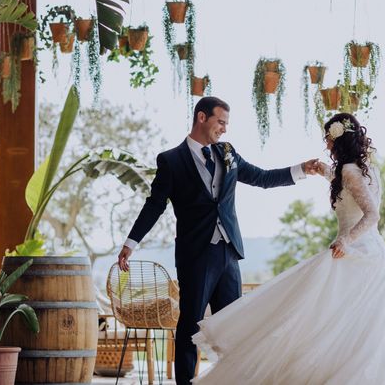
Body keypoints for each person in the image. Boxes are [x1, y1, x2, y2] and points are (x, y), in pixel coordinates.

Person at [190, 113, 385, 384]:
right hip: (375, 255)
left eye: (327, 138)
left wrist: (346, 241)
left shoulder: (349, 171)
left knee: (315, 315)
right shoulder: (362, 169)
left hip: (354, 252)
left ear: (337, 139)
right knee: (360, 326)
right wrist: (318, 169)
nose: (326, 144)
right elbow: (347, 186)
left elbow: (371, 215)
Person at [117, 96, 322, 385]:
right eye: (220, 122)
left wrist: (301, 169)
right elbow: (155, 205)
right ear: (202, 118)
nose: (224, 129)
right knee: (191, 323)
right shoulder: (171, 160)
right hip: (196, 254)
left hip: (228, 252)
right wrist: (131, 243)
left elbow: (261, 178)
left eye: (226, 123)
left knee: (233, 325)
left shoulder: (227, 152)